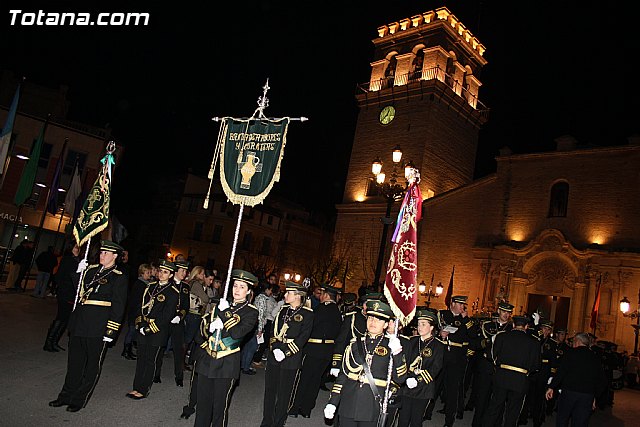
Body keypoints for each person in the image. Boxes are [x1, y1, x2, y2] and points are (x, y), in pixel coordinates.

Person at [48, 240, 128, 412]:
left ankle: (79, 399)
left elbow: (119, 306)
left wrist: (111, 330)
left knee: (91, 366)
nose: (102, 255)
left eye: (106, 253)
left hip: (98, 326)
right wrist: (78, 272)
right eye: (101, 252)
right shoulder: (90, 270)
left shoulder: (119, 276)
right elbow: (79, 292)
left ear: (115, 256)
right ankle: (65, 396)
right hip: (80, 322)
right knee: (74, 363)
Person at [324, 299, 407, 426]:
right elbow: (343, 376)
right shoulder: (354, 344)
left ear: (385, 325)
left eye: (378, 320)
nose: (373, 322)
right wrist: (333, 402)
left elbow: (400, 379)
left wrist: (397, 353)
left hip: (371, 406)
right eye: (370, 318)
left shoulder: (391, 346)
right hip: (348, 402)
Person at [192, 269, 259, 427]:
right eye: (235, 285)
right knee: (202, 405)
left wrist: (225, 313)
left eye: (242, 287)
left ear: (249, 291)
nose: (237, 289)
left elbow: (237, 334)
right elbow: (202, 329)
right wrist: (209, 327)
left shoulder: (251, 312)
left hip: (226, 363)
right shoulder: (221, 304)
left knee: (219, 407)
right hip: (208, 359)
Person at [260, 281, 314, 427]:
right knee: (270, 391)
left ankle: (279, 422)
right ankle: (267, 421)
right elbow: (273, 331)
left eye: (288, 293)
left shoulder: (307, 314)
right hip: (275, 354)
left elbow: (303, 337)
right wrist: (275, 348)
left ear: (297, 296)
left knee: (284, 393)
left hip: (291, 358)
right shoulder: (283, 310)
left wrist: (286, 352)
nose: (285, 295)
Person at [127, 260, 180, 399]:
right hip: (144, 326)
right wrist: (140, 323)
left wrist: (150, 328)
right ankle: (136, 387)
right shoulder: (150, 287)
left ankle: (143, 389)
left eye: (165, 272)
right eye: (160, 271)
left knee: (150, 361)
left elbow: (167, 315)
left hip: (157, 331)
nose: (161, 274)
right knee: (141, 359)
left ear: (171, 275)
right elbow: (141, 306)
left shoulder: (173, 292)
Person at [290, 283, 342, 418]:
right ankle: (307, 409)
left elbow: (310, 327)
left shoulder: (320, 309)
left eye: (321, 294)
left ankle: (295, 407)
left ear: (325, 295)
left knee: (304, 379)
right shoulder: (337, 311)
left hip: (314, 349)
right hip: (327, 351)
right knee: (315, 381)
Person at [482, 315, 541, 427]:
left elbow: (492, 355)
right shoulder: (534, 342)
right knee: (513, 412)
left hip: (502, 376)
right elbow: (536, 366)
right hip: (520, 380)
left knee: (494, 408)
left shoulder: (502, 336)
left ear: (513, 325)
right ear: (526, 327)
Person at [433, 295, 478, 426]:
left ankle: (449, 420)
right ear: (452, 303)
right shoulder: (442, 314)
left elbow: (473, 335)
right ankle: (427, 412)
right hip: (442, 355)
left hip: (457, 358)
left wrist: (466, 318)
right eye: (459, 304)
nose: (462, 307)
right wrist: (440, 334)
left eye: (463, 305)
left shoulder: (465, 320)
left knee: (453, 389)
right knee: (435, 385)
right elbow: (433, 329)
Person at [545, 332, 607, 426]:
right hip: (587, 395)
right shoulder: (595, 357)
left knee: (562, 419)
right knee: (580, 422)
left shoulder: (571, 353)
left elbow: (561, 372)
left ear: (578, 341)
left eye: (574, 341)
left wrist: (551, 387)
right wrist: (594, 396)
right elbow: (602, 380)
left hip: (569, 392)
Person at [398, 308, 445, 427]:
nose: (420, 327)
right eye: (418, 324)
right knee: (403, 420)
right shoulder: (411, 341)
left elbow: (436, 368)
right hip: (407, 386)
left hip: (424, 388)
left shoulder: (438, 345)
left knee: (416, 420)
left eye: (423, 324)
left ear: (431, 327)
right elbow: (405, 361)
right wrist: (406, 378)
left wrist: (418, 380)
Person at [471, 302, 514, 427]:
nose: (506, 315)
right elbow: (477, 344)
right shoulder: (487, 325)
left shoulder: (511, 329)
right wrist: (490, 340)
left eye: (508, 313)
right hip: (486, 367)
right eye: (504, 312)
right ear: (499, 311)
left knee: (498, 401)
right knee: (482, 398)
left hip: (501, 369)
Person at [155, 259, 190, 386]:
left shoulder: (185, 287)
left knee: (179, 350)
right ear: (175, 271)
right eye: (182, 270)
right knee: (160, 346)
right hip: (165, 321)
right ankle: (156, 373)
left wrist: (180, 316)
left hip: (177, 322)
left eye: (185, 271)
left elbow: (186, 306)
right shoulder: (166, 285)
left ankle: (179, 376)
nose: (184, 273)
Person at [43, 243, 81, 352]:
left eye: (78, 247)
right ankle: (49, 342)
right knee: (61, 317)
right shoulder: (68, 260)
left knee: (65, 319)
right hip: (66, 293)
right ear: (70, 248)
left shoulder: (78, 260)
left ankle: (54, 342)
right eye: (75, 247)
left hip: (72, 294)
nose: (77, 249)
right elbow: (60, 276)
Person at [121, 263, 151, 360]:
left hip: (137, 311)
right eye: (147, 273)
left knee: (134, 332)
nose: (149, 275)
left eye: (149, 273)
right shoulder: (140, 284)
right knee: (131, 331)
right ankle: (126, 351)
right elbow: (137, 300)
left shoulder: (145, 284)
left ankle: (128, 350)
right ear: (142, 273)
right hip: (135, 312)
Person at [253, 282, 279, 365]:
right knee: (256, 344)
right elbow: (261, 314)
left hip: (262, 322)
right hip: (262, 322)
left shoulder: (264, 298)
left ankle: (251, 360)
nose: (271, 292)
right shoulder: (263, 299)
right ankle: (253, 360)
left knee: (256, 343)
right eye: (270, 290)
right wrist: (260, 328)